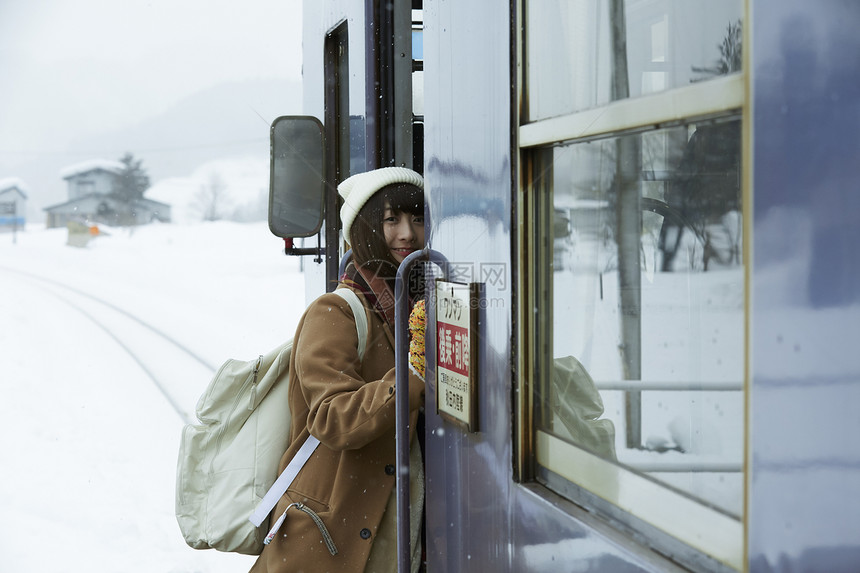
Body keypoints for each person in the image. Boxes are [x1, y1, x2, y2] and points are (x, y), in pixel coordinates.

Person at [250, 167, 427, 573]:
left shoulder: (413, 309)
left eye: (417, 219)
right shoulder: (335, 311)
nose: (407, 234)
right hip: (331, 537)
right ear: (364, 229)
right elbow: (334, 419)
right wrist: (415, 373)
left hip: (394, 527)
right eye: (391, 219)